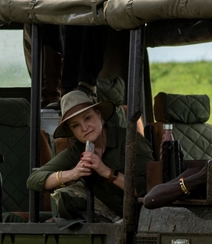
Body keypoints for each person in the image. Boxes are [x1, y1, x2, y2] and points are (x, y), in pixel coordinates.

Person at [28, 89, 151, 222]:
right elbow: (33, 180)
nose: (84, 127)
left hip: (141, 217)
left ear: (98, 114)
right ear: (72, 131)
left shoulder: (130, 141)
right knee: (68, 196)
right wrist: (73, 173)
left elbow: (147, 192)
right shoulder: (76, 151)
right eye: (76, 125)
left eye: (87, 118)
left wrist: (107, 172)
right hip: (103, 217)